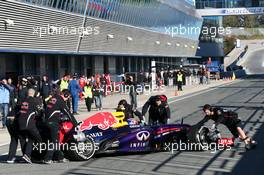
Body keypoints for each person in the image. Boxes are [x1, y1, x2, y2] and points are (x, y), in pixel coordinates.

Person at [43, 89, 78, 164]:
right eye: (67, 97)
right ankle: (47, 158)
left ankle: (60, 157)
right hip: (53, 123)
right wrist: (76, 124)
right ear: (65, 95)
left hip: (46, 122)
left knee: (56, 140)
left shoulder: (53, 97)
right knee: (55, 141)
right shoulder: (61, 101)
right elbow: (68, 114)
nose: (67, 99)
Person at [17, 88, 42, 163]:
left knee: (23, 139)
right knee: (38, 138)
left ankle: (25, 155)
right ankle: (35, 155)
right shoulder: (34, 101)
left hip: (20, 122)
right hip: (28, 123)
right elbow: (39, 112)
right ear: (33, 94)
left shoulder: (22, 100)